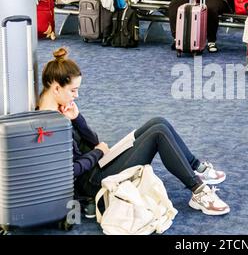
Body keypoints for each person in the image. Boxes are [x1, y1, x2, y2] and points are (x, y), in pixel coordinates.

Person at [37, 47, 230, 217]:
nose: (76, 95)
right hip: (93, 181)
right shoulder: (50, 126)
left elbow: (92, 140)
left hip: (98, 164)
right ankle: (198, 190)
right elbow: (69, 171)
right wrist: (99, 152)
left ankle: (196, 167)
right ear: (56, 88)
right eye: (73, 90)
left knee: (158, 122)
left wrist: (77, 119)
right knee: (158, 134)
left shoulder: (61, 111)